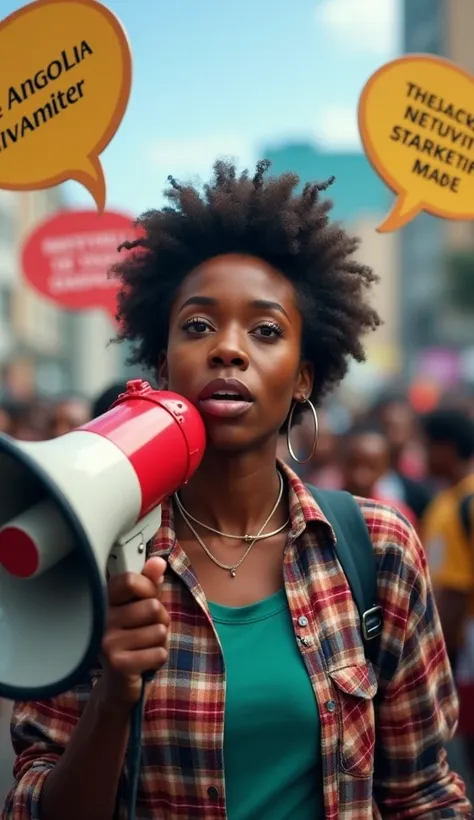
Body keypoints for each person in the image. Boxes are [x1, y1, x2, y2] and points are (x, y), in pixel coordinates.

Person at [2, 160, 470, 820]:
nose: (228, 350)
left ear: (304, 378)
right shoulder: (93, 561)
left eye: (265, 330)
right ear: (162, 365)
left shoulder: (380, 550)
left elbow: (424, 794)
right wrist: (112, 701)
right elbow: (33, 805)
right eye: (197, 326)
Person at [420, 408, 474, 782]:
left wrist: (440, 664)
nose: (422, 455)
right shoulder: (449, 500)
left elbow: (453, 592)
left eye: (428, 447)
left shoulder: (458, 506)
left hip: (465, 653)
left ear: (446, 448)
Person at [339, 422, 418, 528]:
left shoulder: (396, 517)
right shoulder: (322, 510)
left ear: (384, 470)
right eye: (353, 464)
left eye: (371, 467)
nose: (360, 477)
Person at [370, 392, 433, 519]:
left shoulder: (423, 472)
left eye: (401, 427)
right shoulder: (366, 471)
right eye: (389, 426)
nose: (395, 435)